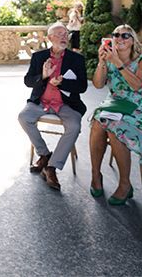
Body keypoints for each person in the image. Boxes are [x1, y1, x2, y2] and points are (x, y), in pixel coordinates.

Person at [89, 24, 142, 205]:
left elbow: (137, 86)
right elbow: (98, 85)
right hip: (115, 103)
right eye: (116, 35)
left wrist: (117, 62)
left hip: (141, 107)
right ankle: (96, 175)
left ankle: (125, 184)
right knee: (97, 123)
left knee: (115, 129)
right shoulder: (109, 59)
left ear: (133, 41)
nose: (120, 38)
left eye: (125, 35)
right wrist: (102, 61)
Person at [17, 22, 88, 190]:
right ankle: (44, 154)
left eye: (66, 34)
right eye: (59, 34)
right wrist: (43, 75)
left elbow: (82, 87)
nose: (64, 37)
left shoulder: (77, 59)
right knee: (23, 117)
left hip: (66, 104)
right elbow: (28, 81)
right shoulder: (38, 57)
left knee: (74, 126)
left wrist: (61, 84)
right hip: (41, 101)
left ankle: (51, 167)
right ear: (50, 38)